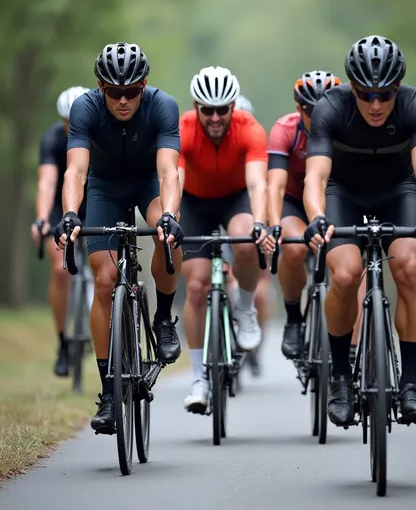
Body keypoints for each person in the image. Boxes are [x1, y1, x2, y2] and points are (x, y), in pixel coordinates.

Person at [302, 35, 416, 427]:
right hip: (343, 194)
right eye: (366, 94)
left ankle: (411, 383)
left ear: (398, 88)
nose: (376, 105)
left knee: (411, 269)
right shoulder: (331, 107)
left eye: (386, 95)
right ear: (352, 88)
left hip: (399, 192)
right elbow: (316, 176)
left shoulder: (415, 105)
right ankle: (342, 381)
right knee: (345, 274)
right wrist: (316, 216)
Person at [54, 42, 184, 435]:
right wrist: (70, 214)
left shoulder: (164, 106)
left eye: (132, 92)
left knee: (167, 236)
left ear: (144, 86)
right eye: (114, 92)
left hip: (147, 183)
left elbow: (168, 172)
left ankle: (163, 318)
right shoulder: (85, 109)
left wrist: (170, 216)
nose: (124, 100)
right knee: (106, 280)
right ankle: (109, 391)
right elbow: (75, 171)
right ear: (100, 87)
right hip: (104, 187)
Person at [178, 66, 268, 413]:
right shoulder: (182, 129)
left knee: (246, 241)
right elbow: (174, 177)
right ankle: (199, 379)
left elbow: (257, 183)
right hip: (194, 201)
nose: (215, 117)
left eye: (223, 109)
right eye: (207, 110)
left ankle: (245, 309)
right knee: (198, 286)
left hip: (235, 198)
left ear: (234, 107)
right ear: (196, 106)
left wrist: (260, 222)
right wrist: (171, 216)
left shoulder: (250, 129)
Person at [264, 71, 341, 359]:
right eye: (311, 110)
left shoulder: (346, 130)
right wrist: (275, 225)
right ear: (299, 109)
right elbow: (276, 185)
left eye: (325, 109)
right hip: (294, 202)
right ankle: (294, 319)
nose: (318, 115)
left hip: (333, 201)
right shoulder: (285, 130)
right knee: (294, 249)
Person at [31, 86, 90, 377]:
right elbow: (47, 183)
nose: (74, 127)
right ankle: (62, 342)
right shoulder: (53, 140)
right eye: (69, 122)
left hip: (94, 200)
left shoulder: (100, 135)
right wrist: (42, 219)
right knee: (60, 269)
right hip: (60, 206)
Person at [224, 94, 274, 377]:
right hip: (219, 232)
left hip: (247, 233)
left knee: (262, 291)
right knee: (213, 282)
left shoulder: (259, 165)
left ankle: (255, 350)